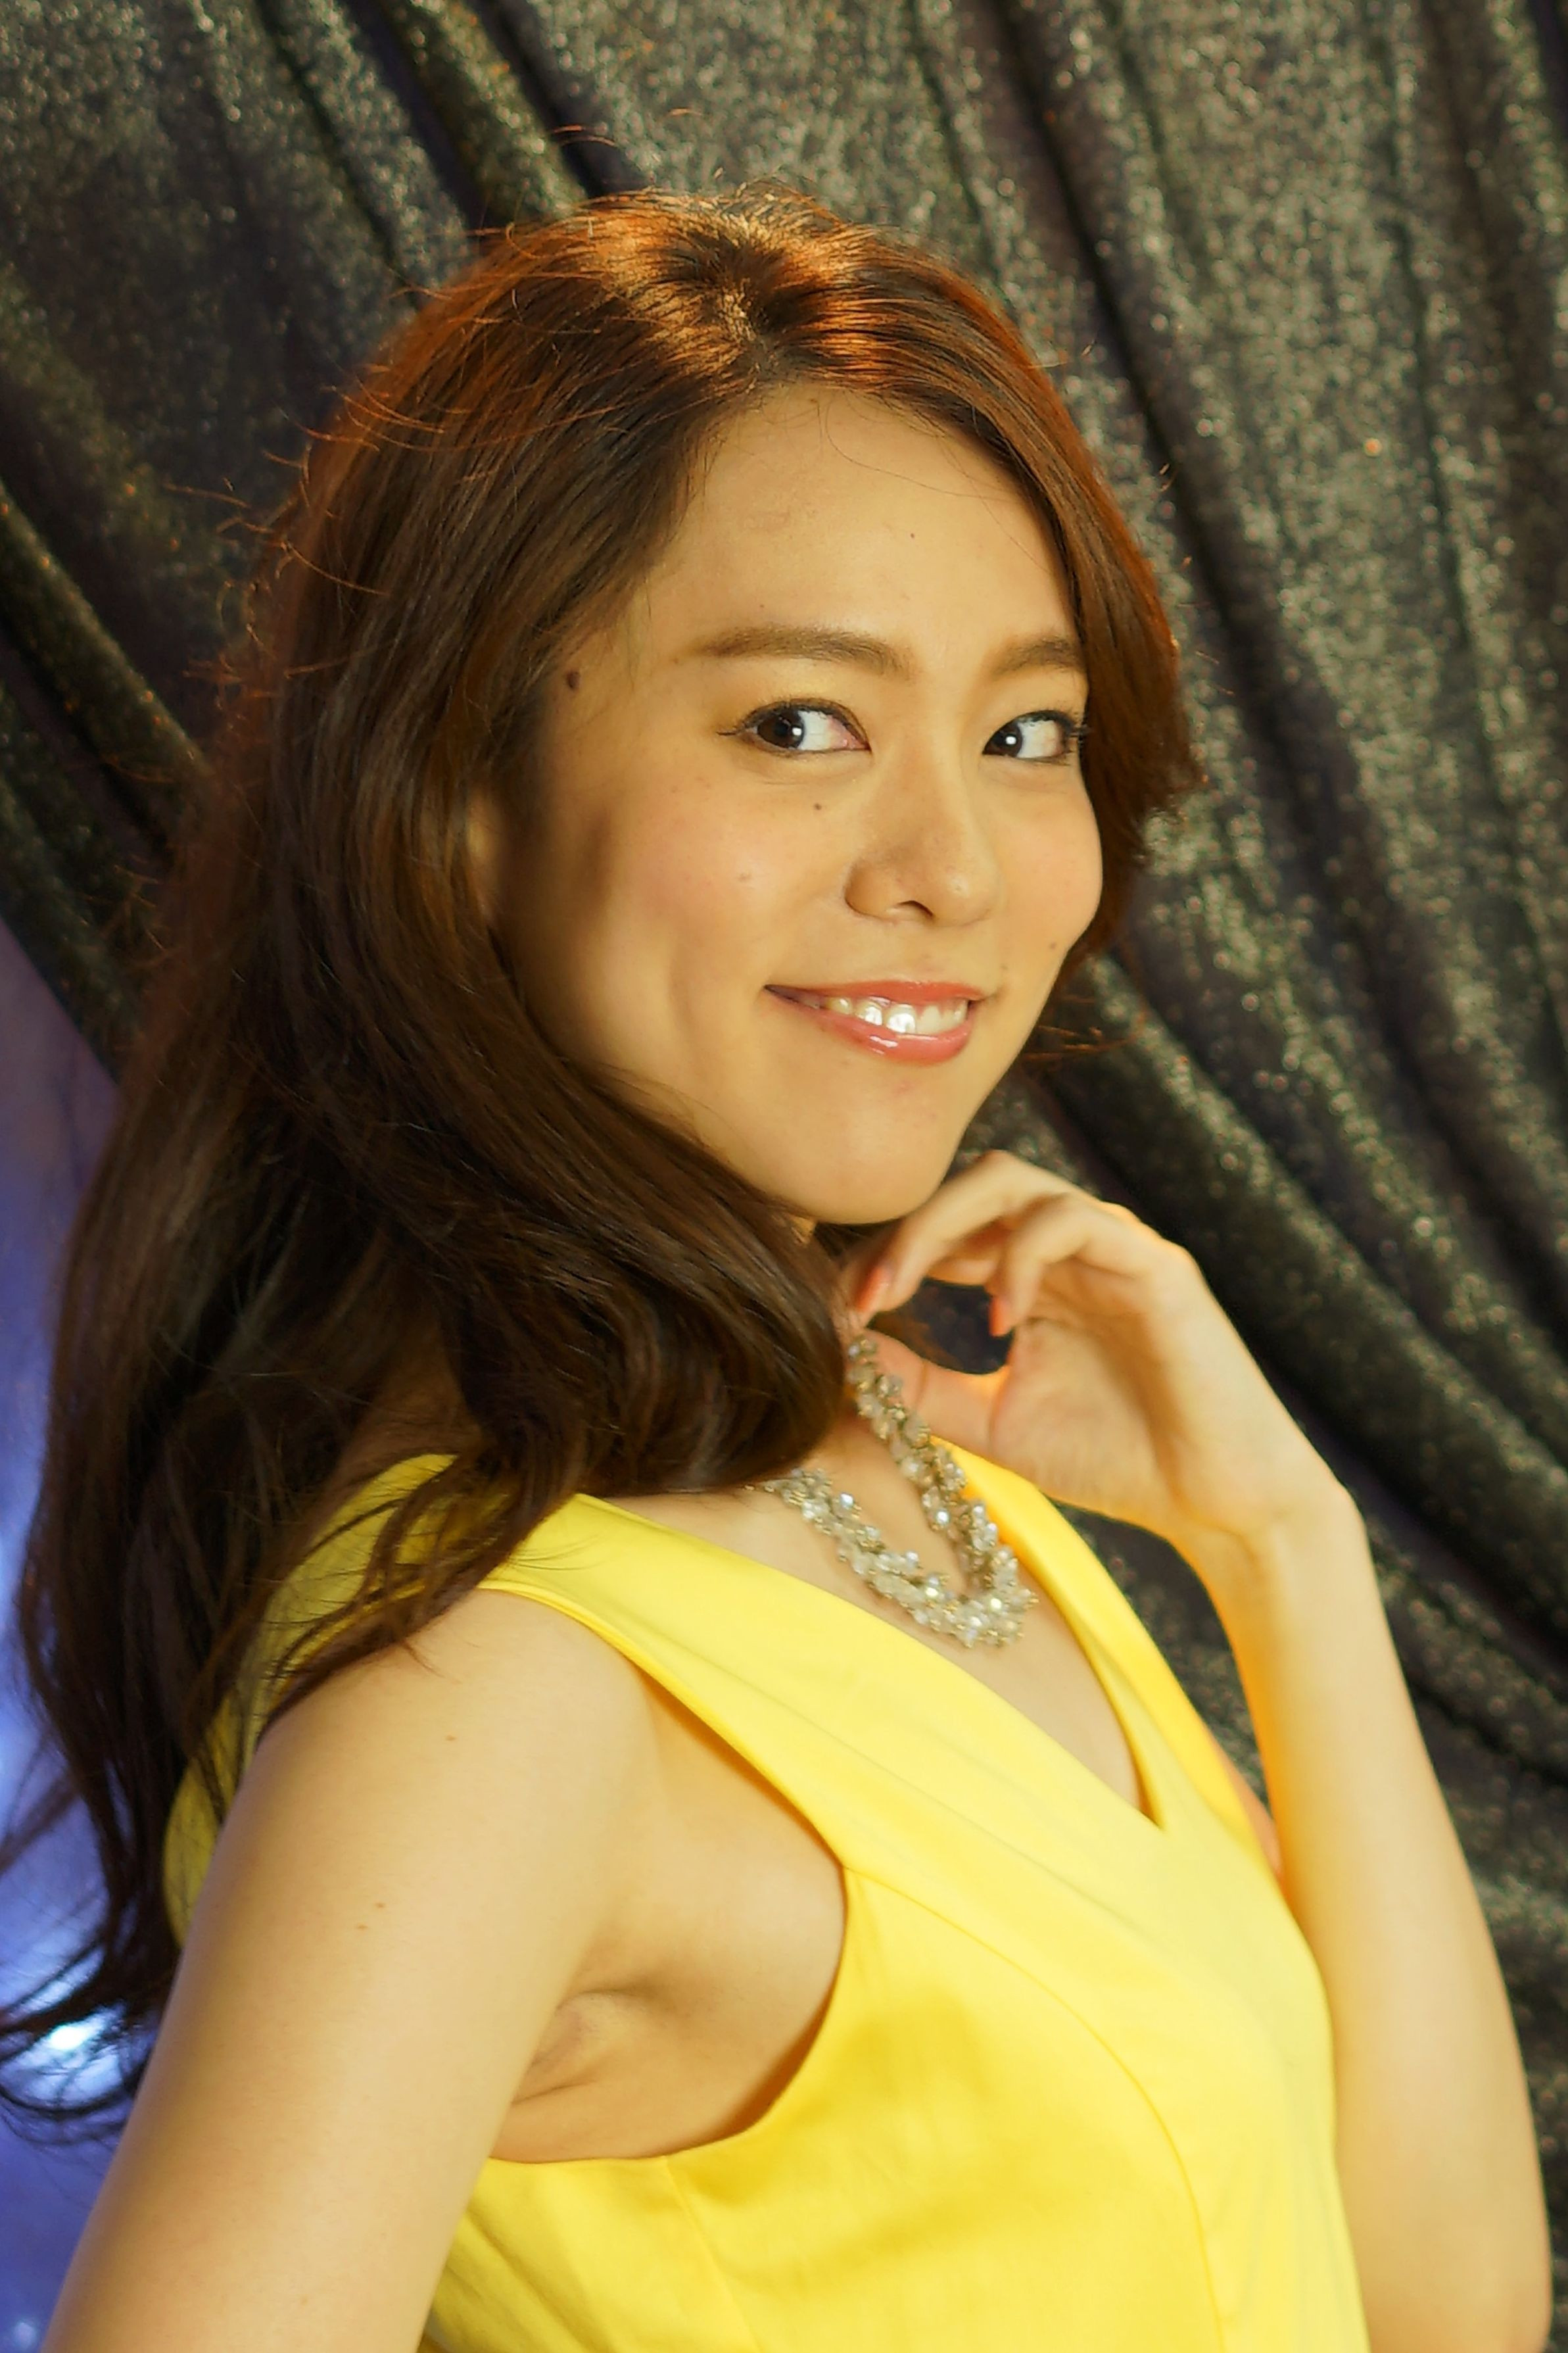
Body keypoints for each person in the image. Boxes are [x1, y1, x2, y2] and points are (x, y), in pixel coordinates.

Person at [4, 187, 1549, 2353]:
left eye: (1024, 735)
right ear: (458, 797)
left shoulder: (897, 1454)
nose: (949, 871)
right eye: (799, 725)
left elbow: (1437, 2308)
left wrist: (1278, 1542)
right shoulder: (492, 1699)